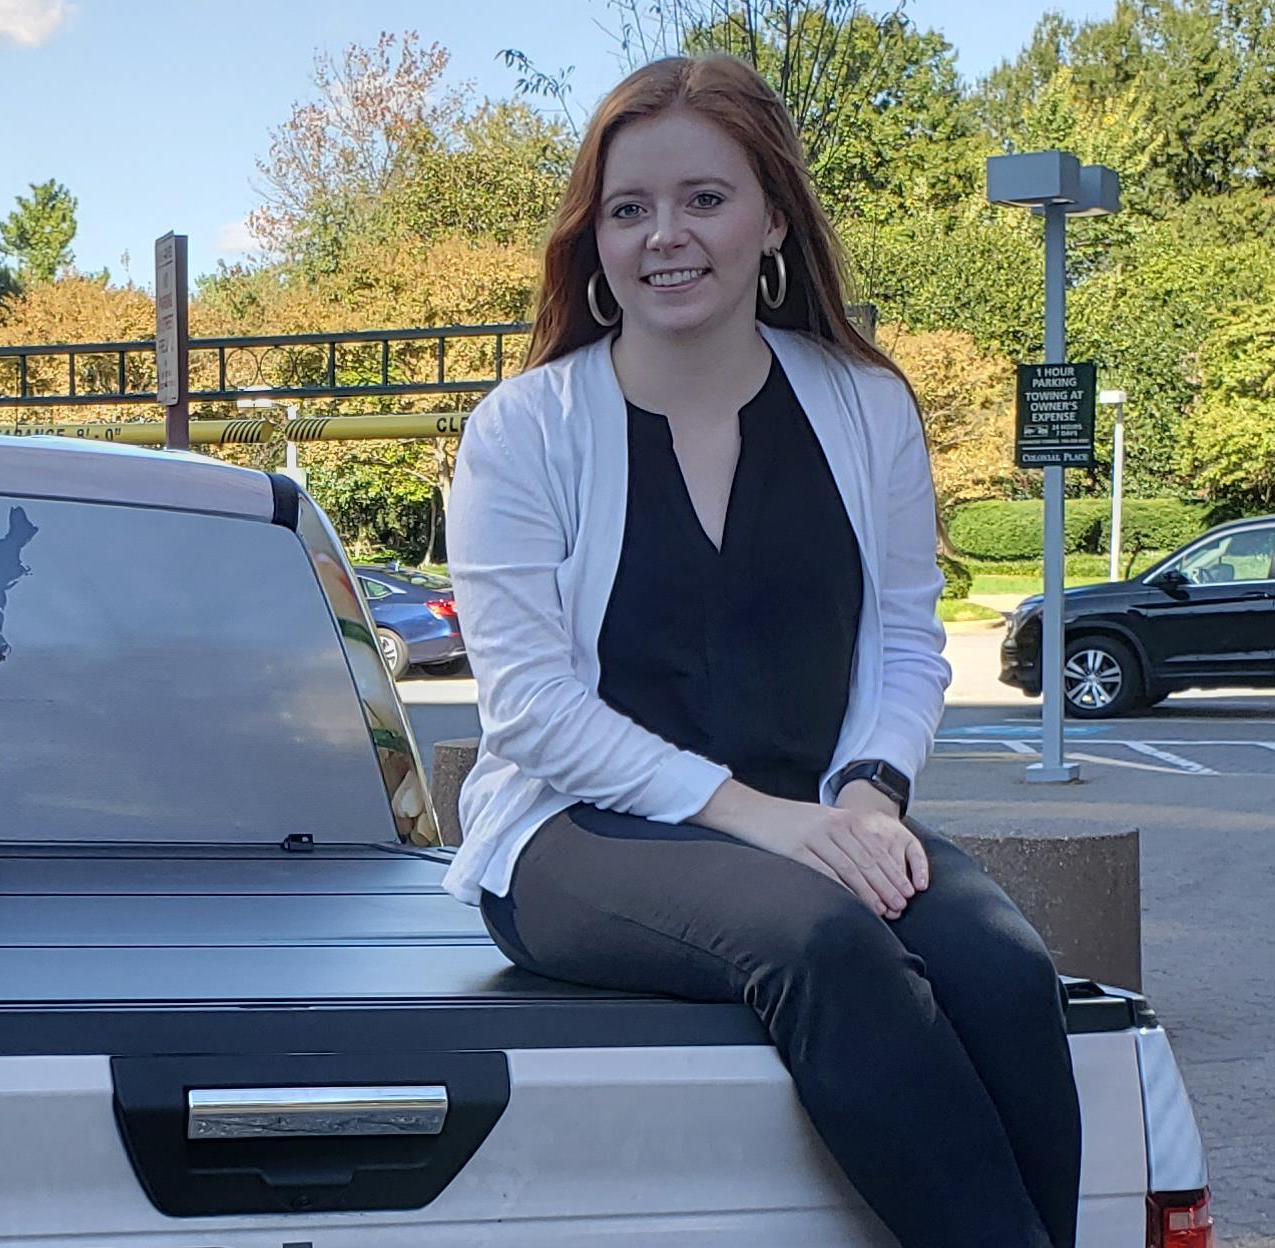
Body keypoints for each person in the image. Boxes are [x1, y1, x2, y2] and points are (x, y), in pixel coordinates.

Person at [443, 54, 1083, 1248]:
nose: (663, 237)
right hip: (577, 841)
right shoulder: (524, 428)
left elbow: (904, 635)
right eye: (626, 209)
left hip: (817, 820)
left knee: (999, 965)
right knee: (824, 944)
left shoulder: (861, 402)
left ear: (772, 217)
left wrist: (867, 792)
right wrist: (767, 820)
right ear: (594, 242)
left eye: (703, 198)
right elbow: (529, 711)